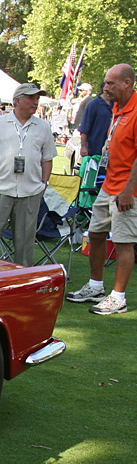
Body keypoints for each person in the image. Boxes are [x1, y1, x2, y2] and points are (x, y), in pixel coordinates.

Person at [66, 64, 137, 315]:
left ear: (127, 83)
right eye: (105, 83)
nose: (105, 88)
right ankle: (96, 286)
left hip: (127, 190)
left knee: (123, 241)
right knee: (95, 234)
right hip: (108, 184)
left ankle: (118, 297)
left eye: (110, 83)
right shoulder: (116, 108)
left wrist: (129, 191)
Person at [0, 83, 56, 267]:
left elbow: (47, 158)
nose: (35, 102)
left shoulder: (43, 127)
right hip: (0, 189)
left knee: (26, 242)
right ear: (17, 100)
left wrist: (43, 183)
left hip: (30, 191)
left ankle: (23, 281)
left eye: (37, 98)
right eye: (30, 98)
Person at [78, 82, 113, 159]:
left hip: (111, 150)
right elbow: (84, 128)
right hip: (94, 148)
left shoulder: (116, 105)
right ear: (104, 89)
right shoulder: (94, 104)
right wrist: (83, 146)